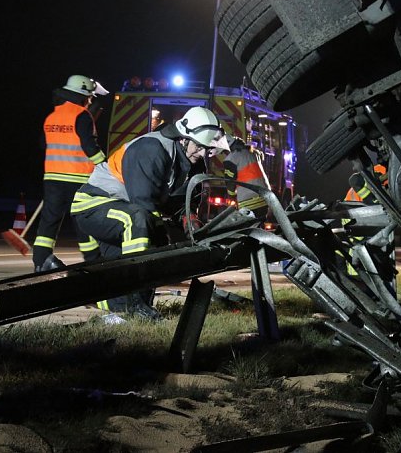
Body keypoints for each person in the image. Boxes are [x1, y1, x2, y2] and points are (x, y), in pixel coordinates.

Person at [70, 106, 229, 318]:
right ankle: (137, 302)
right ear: (184, 138)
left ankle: (114, 302)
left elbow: (182, 205)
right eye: (199, 147)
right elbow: (143, 203)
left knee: (121, 287)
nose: (203, 154)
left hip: (123, 212)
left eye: (208, 150)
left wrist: (191, 226)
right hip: (93, 205)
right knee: (140, 221)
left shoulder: (191, 162)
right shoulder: (151, 149)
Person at [32, 75, 107, 273]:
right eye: (89, 97)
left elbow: (43, 144)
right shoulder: (82, 115)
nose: (90, 101)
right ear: (83, 96)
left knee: (49, 221)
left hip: (52, 178)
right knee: (83, 221)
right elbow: (90, 147)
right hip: (78, 179)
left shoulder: (52, 116)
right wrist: (105, 167)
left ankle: (41, 260)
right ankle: (94, 262)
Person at [223, 136, 271, 218]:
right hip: (264, 198)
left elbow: (230, 182)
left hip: (248, 201)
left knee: (246, 229)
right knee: (259, 227)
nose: (224, 154)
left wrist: (231, 196)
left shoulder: (232, 158)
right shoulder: (253, 153)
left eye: (224, 152)